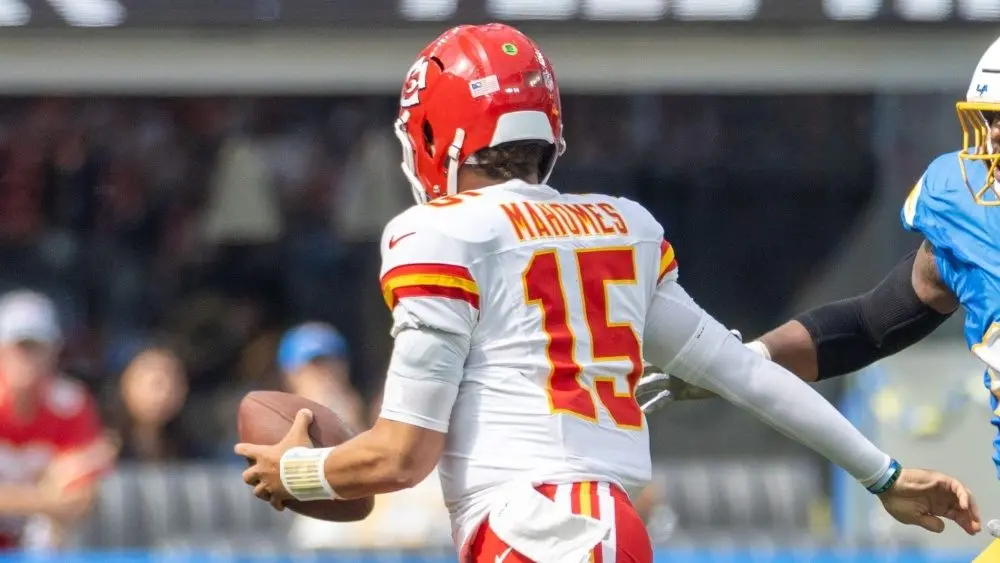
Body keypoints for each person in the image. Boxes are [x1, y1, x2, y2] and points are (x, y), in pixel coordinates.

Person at [236, 24, 981, 563]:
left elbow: (402, 455)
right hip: (595, 527)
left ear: (433, 134)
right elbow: (744, 369)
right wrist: (878, 472)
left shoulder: (437, 234)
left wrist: (295, 470)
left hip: (541, 530)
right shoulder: (619, 229)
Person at [637, 35, 1000, 475]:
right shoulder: (965, 209)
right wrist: (740, 363)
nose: (994, 137)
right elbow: (870, 324)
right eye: (990, 119)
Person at [0, 290, 116, 550]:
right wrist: (47, 498)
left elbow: (81, 499)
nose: (26, 358)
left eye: (35, 347)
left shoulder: (72, 404)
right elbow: (61, 500)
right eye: (18, 347)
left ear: (54, 350)